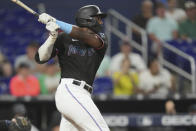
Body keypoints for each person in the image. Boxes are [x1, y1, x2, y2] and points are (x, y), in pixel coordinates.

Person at [35, 5, 110, 131]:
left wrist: (56, 21)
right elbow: (40, 58)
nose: (101, 22)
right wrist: (52, 37)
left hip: (83, 94)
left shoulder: (101, 37)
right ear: (87, 19)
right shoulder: (64, 37)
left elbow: (83, 35)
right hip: (70, 91)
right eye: (98, 18)